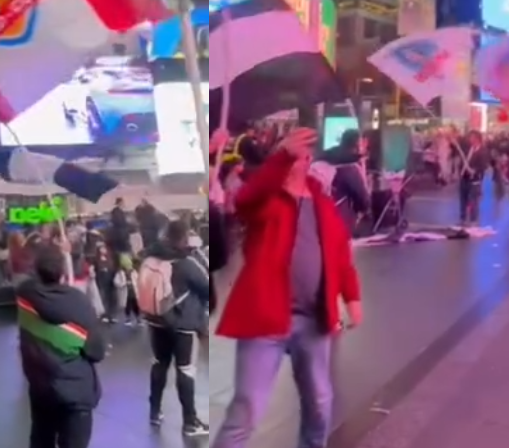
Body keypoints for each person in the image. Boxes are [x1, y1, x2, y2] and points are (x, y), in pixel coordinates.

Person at [213, 128, 363, 448]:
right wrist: (281, 155)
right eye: (292, 154)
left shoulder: (322, 202)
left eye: (303, 154)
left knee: (320, 404)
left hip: (314, 321)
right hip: (265, 320)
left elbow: (340, 254)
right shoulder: (265, 199)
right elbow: (246, 199)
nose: (300, 159)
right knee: (247, 409)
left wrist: (352, 298)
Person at [17, 244, 106, 448]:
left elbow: (29, 280)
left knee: (41, 440)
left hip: (42, 388)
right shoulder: (80, 303)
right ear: (63, 272)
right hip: (76, 392)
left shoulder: (25, 296)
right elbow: (97, 352)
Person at [140, 220, 211, 436]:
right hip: (184, 324)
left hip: (156, 320)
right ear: (183, 238)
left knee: (160, 363)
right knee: (185, 370)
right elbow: (208, 287)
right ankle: (190, 422)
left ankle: (154, 411)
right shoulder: (186, 262)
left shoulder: (150, 257)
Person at [456, 130, 489, 227]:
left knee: (473, 200)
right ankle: (462, 218)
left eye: (472, 137)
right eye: (470, 137)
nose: (470, 139)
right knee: (463, 199)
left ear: (477, 139)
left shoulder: (482, 151)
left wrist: (475, 171)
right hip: (464, 177)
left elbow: (483, 165)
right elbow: (463, 158)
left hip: (474, 179)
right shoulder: (468, 149)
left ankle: (473, 220)